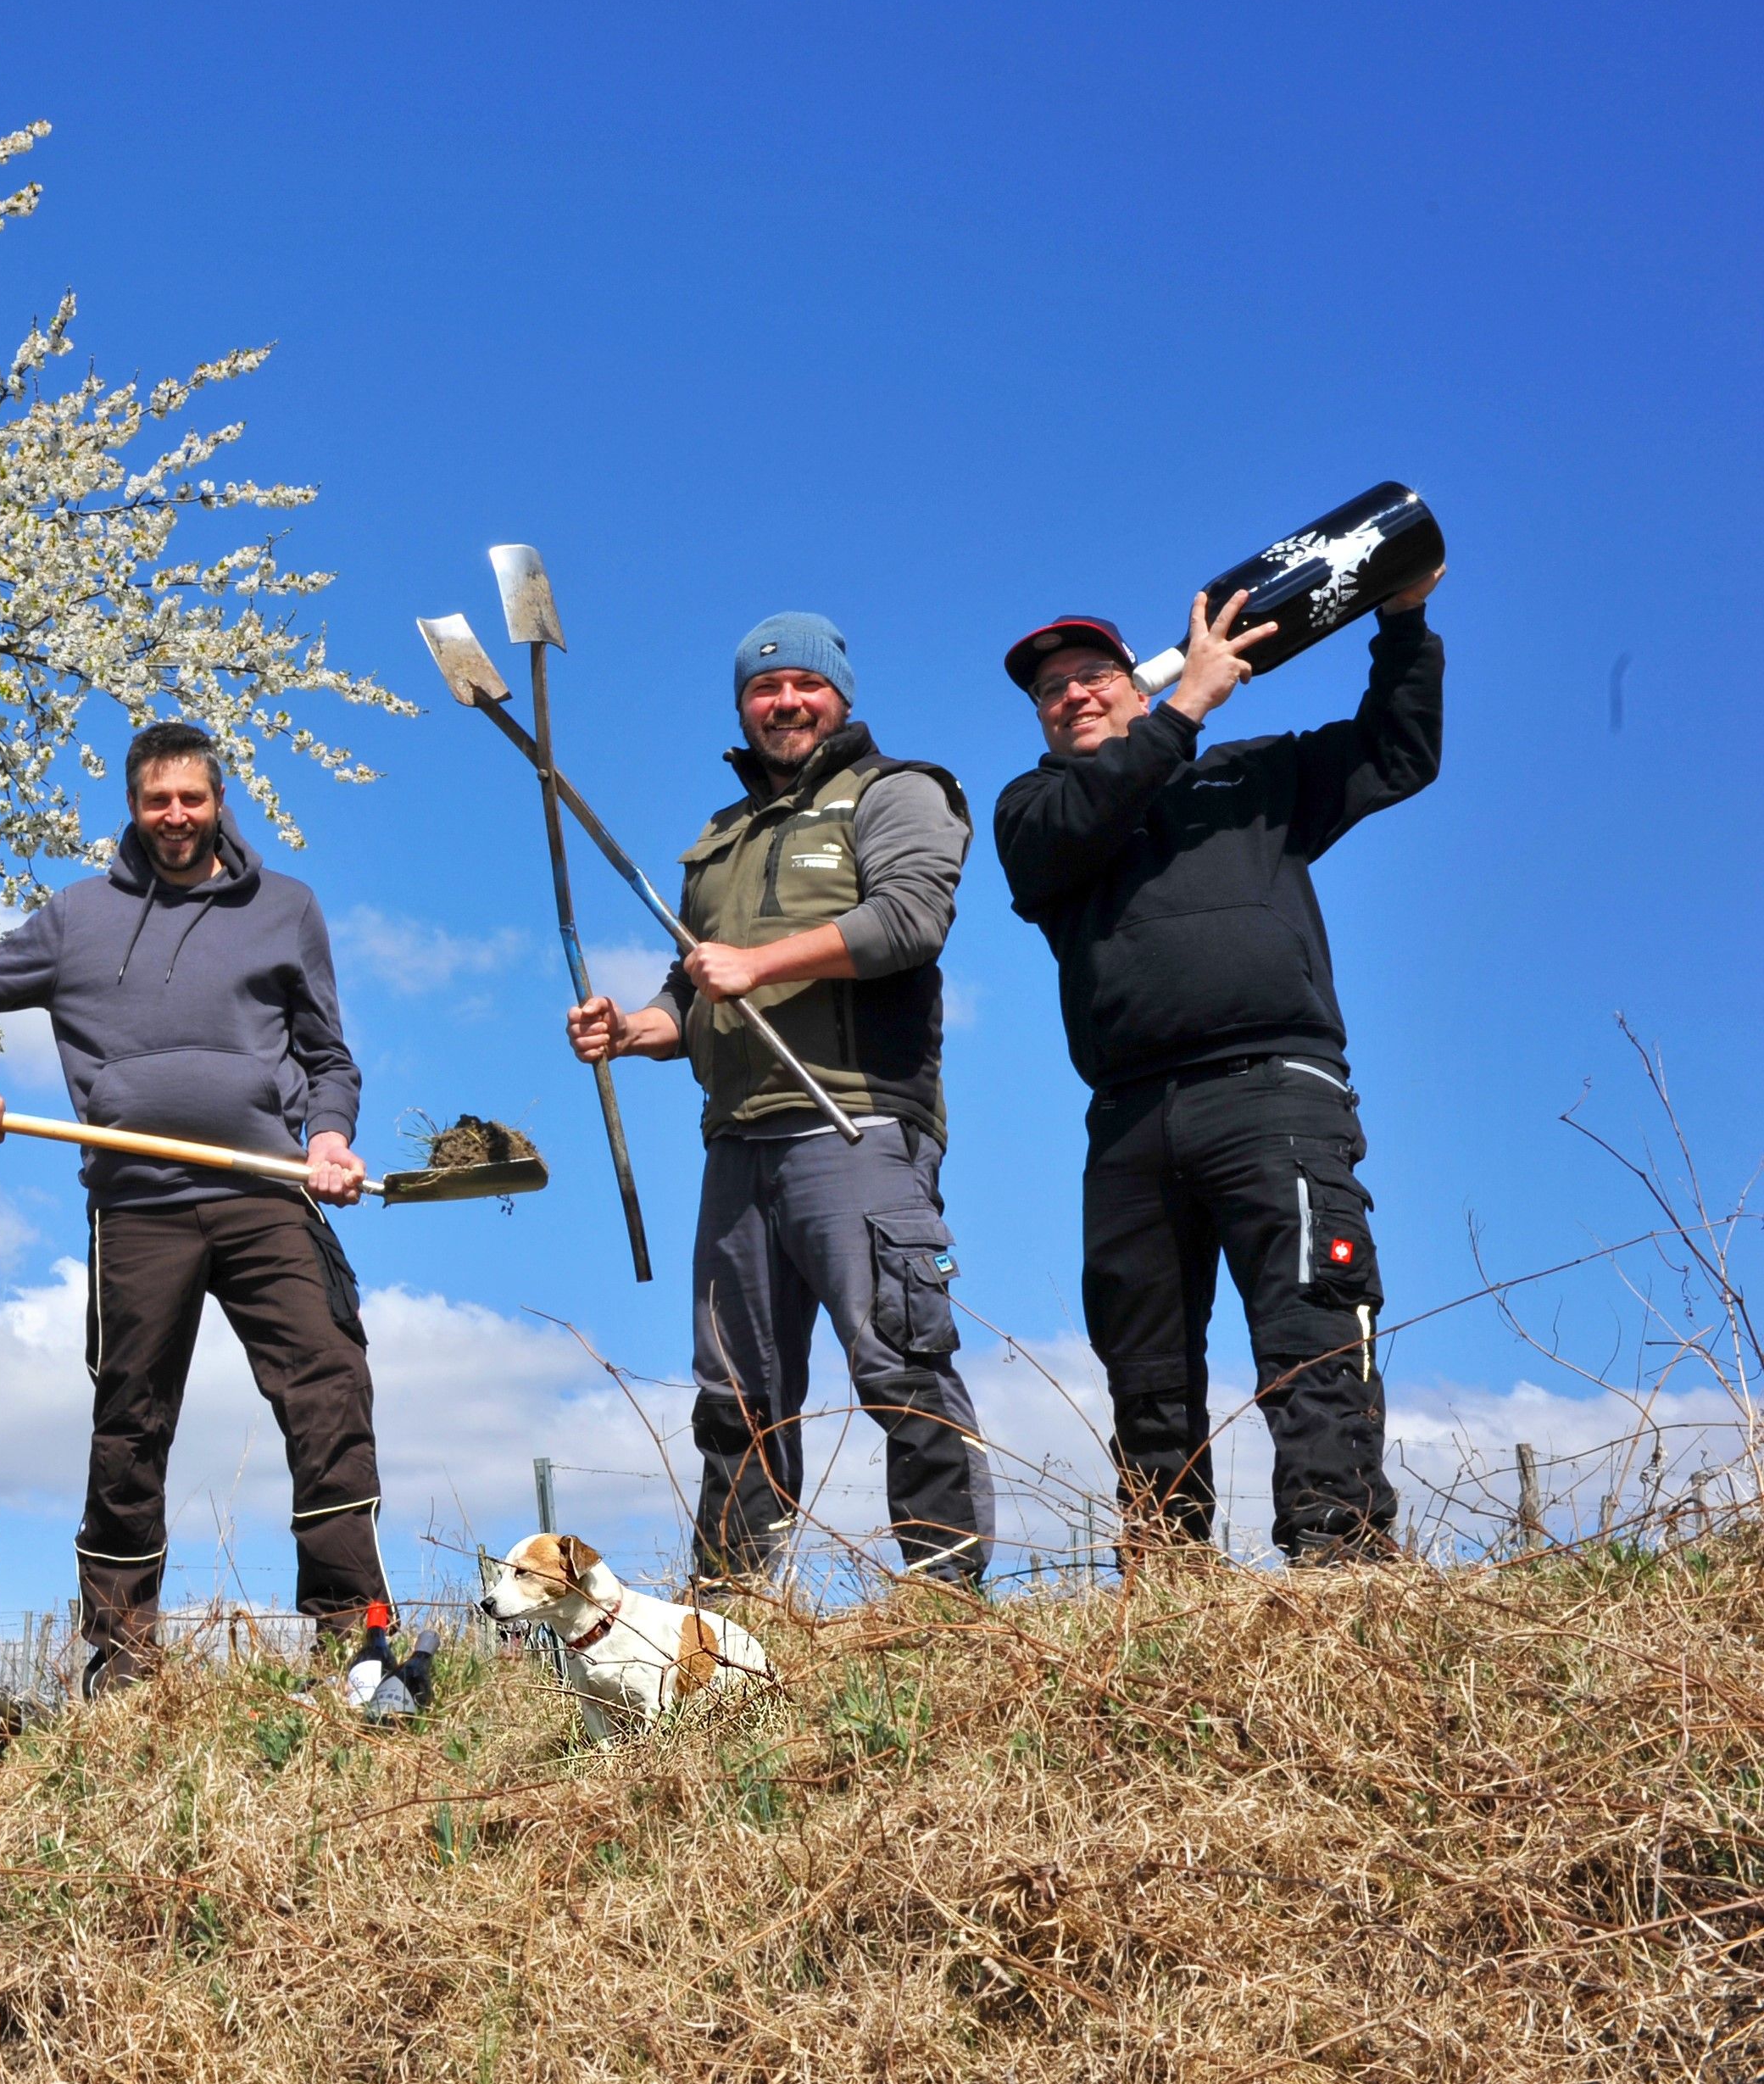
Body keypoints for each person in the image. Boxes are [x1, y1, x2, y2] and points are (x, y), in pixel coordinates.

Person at [993, 564, 1444, 1563]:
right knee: (1142, 1369)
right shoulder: (1032, 811)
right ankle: (1165, 1583)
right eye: (1048, 689)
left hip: (1272, 1090)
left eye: (1090, 675)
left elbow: (1398, 752)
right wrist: (1185, 709)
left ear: (1134, 683)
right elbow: (1078, 827)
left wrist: (1402, 622)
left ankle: (1339, 1567)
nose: (1070, 693)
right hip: (1125, 1121)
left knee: (1309, 1332)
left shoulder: (1251, 777)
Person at [0, 719, 384, 1693]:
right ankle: (122, 1653)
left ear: (219, 801)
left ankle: (352, 1632)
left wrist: (328, 1138)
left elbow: (325, 1057)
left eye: (191, 798)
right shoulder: (77, 917)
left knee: (328, 1384)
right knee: (131, 1415)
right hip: (136, 1205)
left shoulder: (285, 907)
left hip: (266, 1192)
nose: (174, 817)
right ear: (131, 808)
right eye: (155, 801)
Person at [566, 613, 996, 1593]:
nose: (784, 702)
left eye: (804, 684)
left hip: (854, 1123)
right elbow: (689, 992)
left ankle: (943, 1597)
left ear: (839, 695)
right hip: (736, 1143)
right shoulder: (717, 838)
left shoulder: (896, 793)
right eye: (763, 689)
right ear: (741, 707)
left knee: (898, 1357)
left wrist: (754, 964)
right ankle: (730, 1606)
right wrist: (627, 1029)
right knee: (734, 1393)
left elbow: (909, 920)